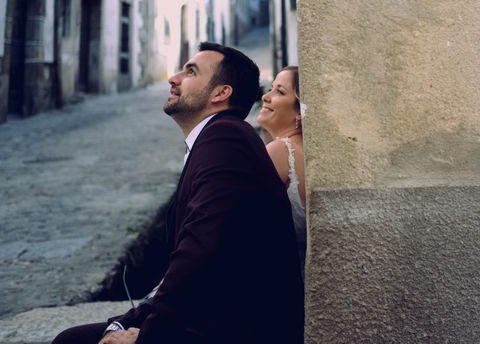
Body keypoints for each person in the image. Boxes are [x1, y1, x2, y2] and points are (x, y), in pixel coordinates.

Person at [52, 43, 304, 344]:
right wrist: (124, 323)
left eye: (190, 72)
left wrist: (148, 334)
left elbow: (200, 246)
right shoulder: (217, 138)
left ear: (220, 93)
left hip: (235, 328)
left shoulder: (227, 137)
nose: (173, 78)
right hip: (211, 315)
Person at [256, 66, 306, 273]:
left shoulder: (280, 151)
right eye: (271, 88)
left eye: (280, 92)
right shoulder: (303, 150)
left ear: (299, 114)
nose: (266, 97)